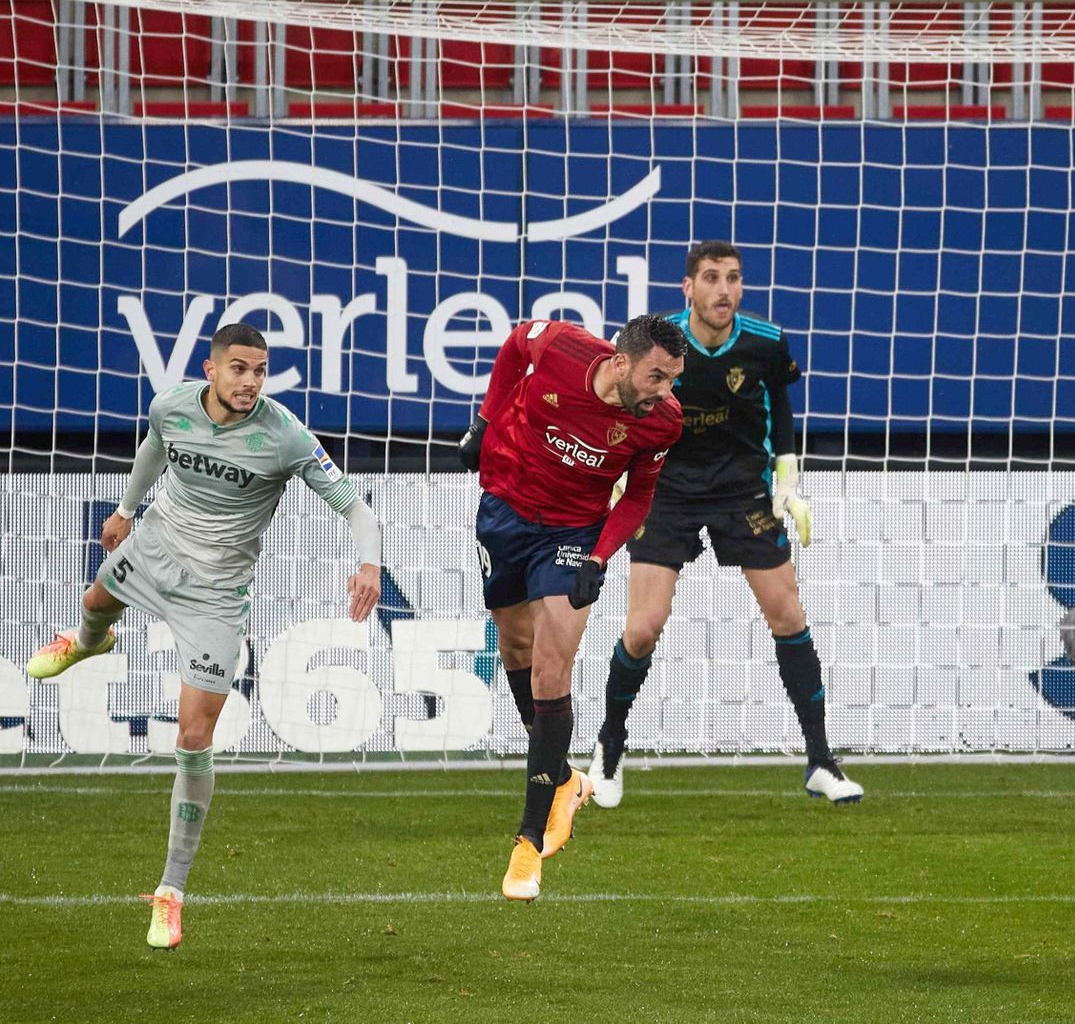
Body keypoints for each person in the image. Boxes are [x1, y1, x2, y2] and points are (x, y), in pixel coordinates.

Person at [26, 323, 382, 949]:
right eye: (239, 369)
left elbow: (354, 504)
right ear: (211, 369)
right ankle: (87, 642)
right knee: (94, 601)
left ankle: (171, 890)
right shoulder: (171, 405)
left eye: (260, 370)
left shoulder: (284, 435)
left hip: (217, 597)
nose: (250, 382)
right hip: (157, 547)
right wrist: (125, 511)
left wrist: (370, 563)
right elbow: (154, 448)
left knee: (194, 737)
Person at [589, 241, 863, 805]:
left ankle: (820, 762)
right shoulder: (655, 344)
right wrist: (616, 473)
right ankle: (607, 754)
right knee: (642, 628)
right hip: (664, 488)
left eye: (733, 278)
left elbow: (780, 409)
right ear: (687, 288)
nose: (723, 289)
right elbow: (618, 402)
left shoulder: (764, 343)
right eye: (711, 278)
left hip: (740, 488)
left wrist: (787, 482)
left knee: (788, 614)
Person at [457, 313, 685, 901]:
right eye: (657, 377)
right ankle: (564, 780)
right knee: (515, 647)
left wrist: (600, 557)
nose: (665, 393)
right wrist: (485, 423)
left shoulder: (661, 422)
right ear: (620, 362)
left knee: (552, 667)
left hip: (573, 533)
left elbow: (638, 495)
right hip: (504, 510)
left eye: (673, 380)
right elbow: (513, 347)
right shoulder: (558, 345)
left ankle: (528, 845)